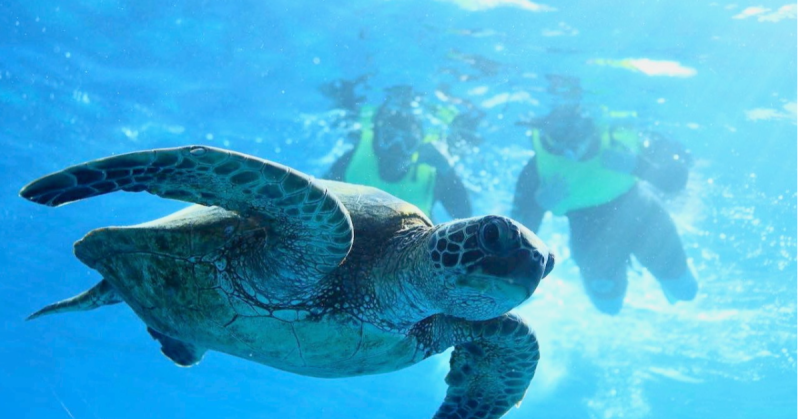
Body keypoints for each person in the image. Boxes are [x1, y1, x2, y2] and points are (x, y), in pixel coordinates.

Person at [512, 105, 698, 314]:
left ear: (590, 129)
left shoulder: (618, 136)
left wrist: (639, 166)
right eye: (559, 143)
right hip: (591, 234)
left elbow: (677, 179)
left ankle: (667, 279)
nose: (569, 152)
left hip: (643, 217)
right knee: (609, 307)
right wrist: (539, 204)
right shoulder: (538, 166)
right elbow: (517, 233)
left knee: (686, 290)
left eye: (575, 140)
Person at [325, 85, 472, 220]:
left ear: (418, 145)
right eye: (389, 137)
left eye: (408, 142)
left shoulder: (432, 174)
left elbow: (463, 214)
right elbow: (320, 198)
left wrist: (446, 169)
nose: (396, 147)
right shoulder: (354, 159)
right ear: (377, 138)